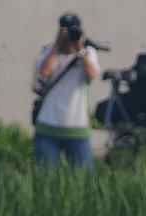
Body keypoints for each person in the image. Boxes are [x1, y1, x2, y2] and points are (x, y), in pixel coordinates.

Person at [32, 12, 101, 169]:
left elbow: (92, 74)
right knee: (45, 181)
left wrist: (80, 49)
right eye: (65, 30)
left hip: (77, 130)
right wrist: (57, 46)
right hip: (48, 128)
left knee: (85, 182)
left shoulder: (88, 54)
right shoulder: (48, 52)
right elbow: (43, 73)